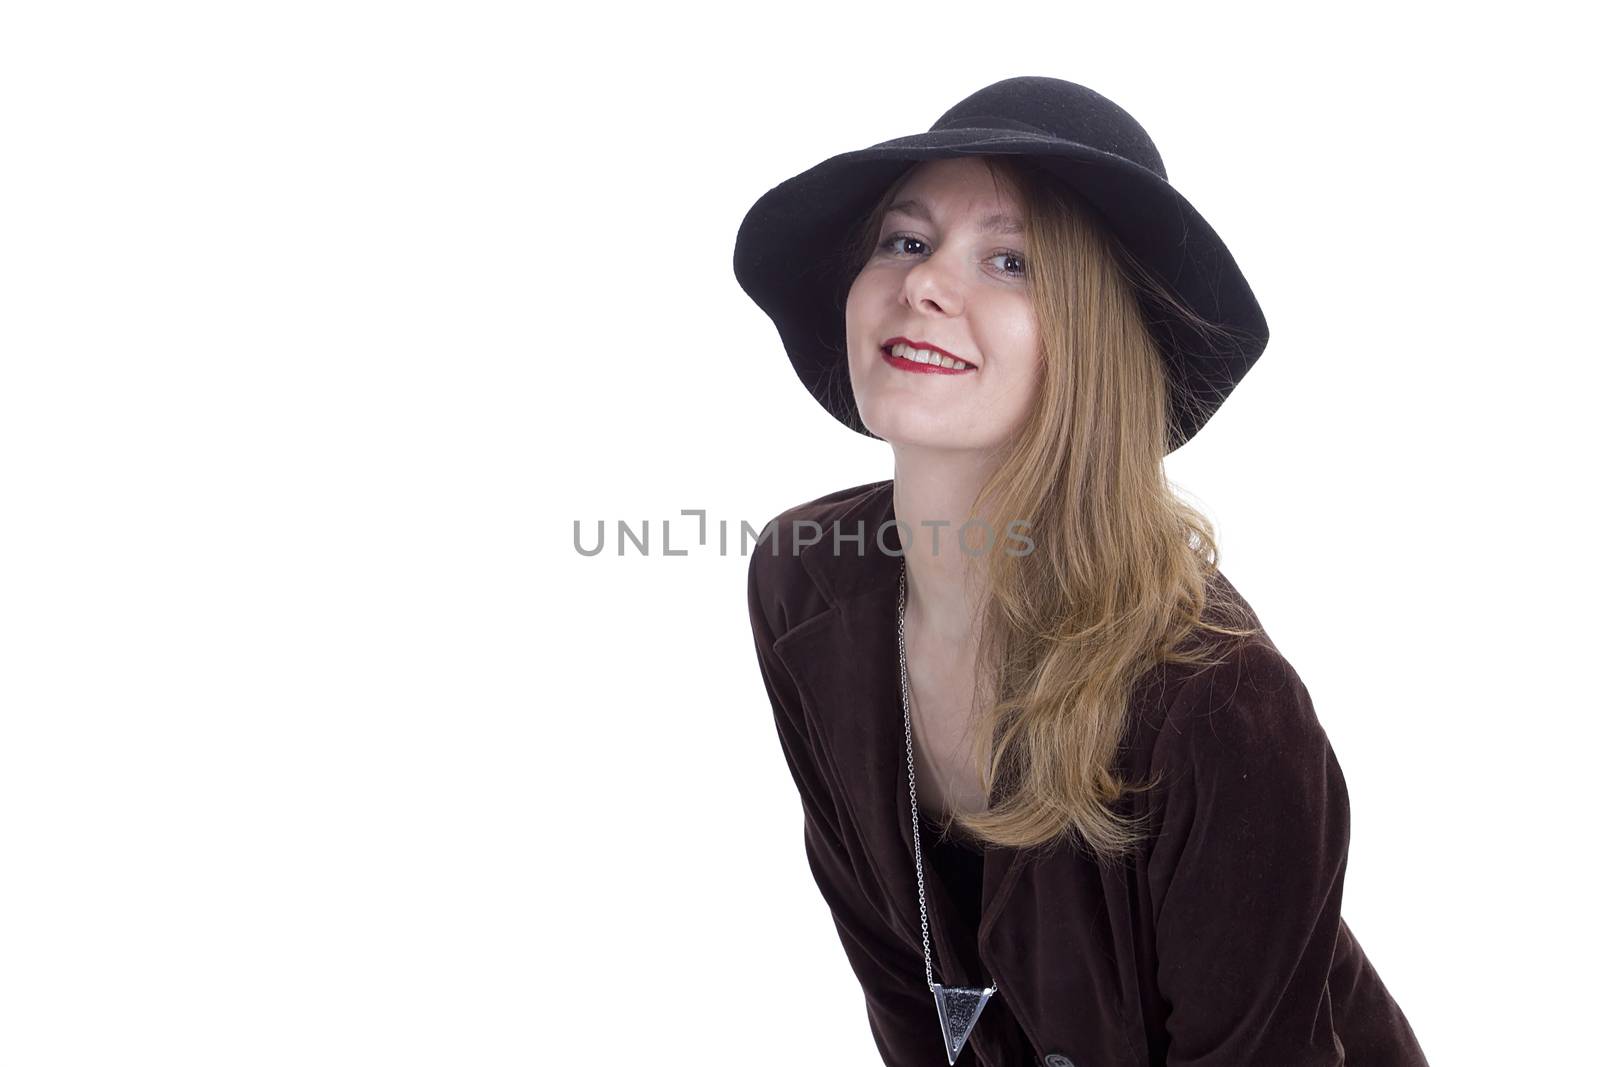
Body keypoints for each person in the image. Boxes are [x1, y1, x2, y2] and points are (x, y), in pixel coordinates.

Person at [734, 77, 1429, 1066]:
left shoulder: (1219, 704)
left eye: (1008, 259)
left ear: (1089, 342)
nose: (925, 284)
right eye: (904, 239)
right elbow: (899, 977)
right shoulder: (804, 584)